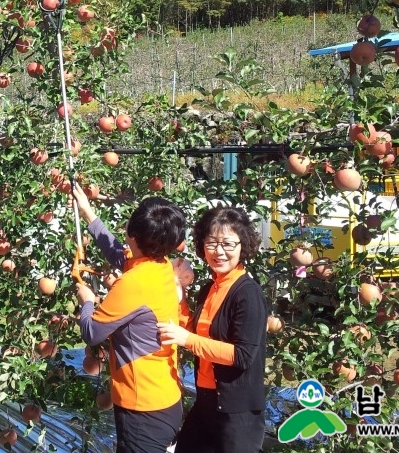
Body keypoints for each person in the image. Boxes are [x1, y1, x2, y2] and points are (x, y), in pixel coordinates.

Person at [72, 183, 186, 453]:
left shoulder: (133, 283)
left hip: (142, 407)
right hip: (164, 397)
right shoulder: (160, 266)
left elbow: (92, 332)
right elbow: (119, 255)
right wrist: (89, 214)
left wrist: (87, 301)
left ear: (131, 232)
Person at [157, 205, 268, 453]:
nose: (219, 252)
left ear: (243, 245)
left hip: (237, 412)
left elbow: (242, 356)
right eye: (211, 243)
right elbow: (190, 328)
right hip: (206, 401)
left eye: (228, 244)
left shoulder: (248, 294)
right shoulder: (210, 288)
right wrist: (179, 293)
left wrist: (187, 340)